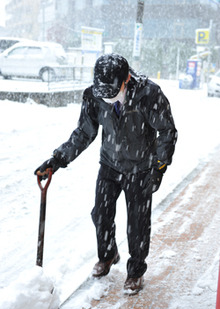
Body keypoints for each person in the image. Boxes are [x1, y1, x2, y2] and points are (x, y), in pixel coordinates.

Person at [35, 53, 177, 294]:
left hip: (140, 168)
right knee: (100, 214)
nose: (107, 98)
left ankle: (135, 271)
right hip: (110, 164)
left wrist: (159, 167)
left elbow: (167, 131)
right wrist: (57, 159)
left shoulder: (148, 95)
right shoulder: (94, 95)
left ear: (126, 79)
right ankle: (108, 254)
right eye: (102, 93)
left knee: (138, 224)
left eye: (111, 92)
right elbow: (84, 132)